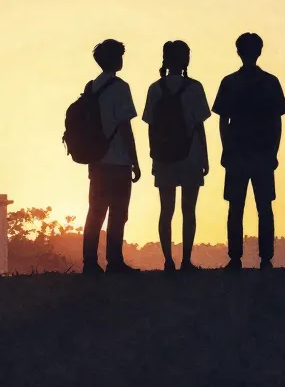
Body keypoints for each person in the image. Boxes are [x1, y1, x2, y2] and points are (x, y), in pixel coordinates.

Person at [212, 32, 285, 270]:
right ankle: (266, 257)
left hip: (237, 151)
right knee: (264, 207)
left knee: (236, 207)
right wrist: (274, 150)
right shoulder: (271, 82)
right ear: (260, 51)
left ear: (238, 52)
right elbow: (277, 122)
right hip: (262, 151)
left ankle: (235, 257)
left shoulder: (229, 82)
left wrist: (226, 147)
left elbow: (223, 121)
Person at [142, 40, 211, 272]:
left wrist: (154, 156)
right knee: (188, 211)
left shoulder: (155, 89)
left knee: (166, 211)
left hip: (163, 156)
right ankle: (186, 259)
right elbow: (199, 126)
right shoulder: (195, 88)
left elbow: (151, 127)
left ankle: (168, 260)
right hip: (191, 154)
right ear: (185, 60)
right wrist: (205, 157)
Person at [81, 39, 142, 274]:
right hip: (118, 160)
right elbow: (125, 126)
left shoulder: (91, 87)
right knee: (118, 213)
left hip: (96, 159)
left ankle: (89, 262)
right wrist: (135, 160)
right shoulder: (120, 87)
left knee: (95, 212)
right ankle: (114, 261)